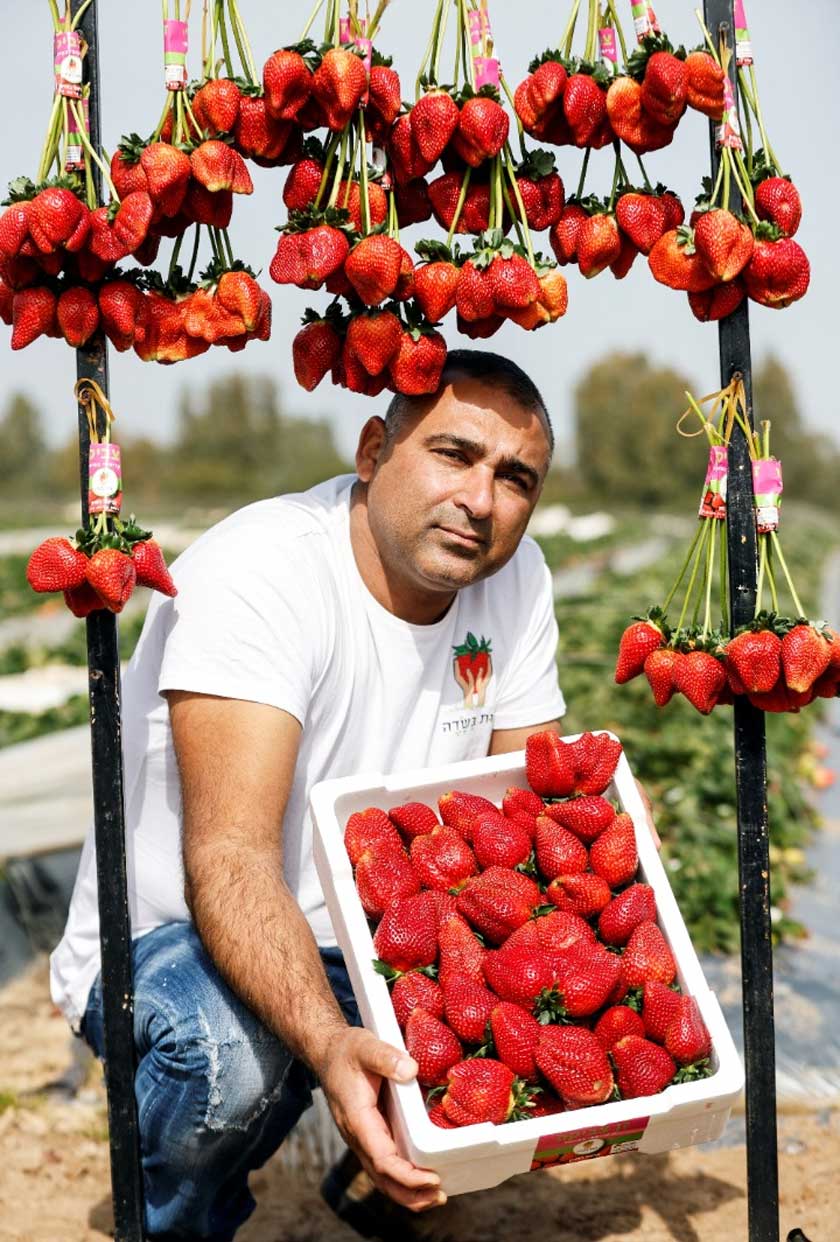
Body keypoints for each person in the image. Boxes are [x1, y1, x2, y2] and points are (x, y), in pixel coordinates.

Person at [50, 349, 573, 1241]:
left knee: (540, 997)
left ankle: (381, 1166)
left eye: (514, 477)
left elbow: (521, 831)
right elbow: (231, 859)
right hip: (183, 941)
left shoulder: (516, 584)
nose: (482, 501)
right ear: (374, 449)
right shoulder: (266, 572)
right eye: (454, 454)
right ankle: (181, 1224)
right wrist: (331, 1046)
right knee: (231, 1065)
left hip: (377, 934)